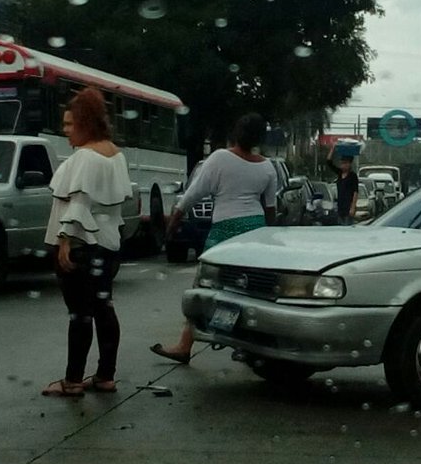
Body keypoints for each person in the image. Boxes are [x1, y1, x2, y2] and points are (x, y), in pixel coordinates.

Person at [151, 113, 277, 364]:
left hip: (225, 231)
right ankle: (249, 347)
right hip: (255, 230)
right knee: (249, 292)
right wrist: (269, 239)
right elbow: (271, 209)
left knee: (205, 287)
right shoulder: (267, 167)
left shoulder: (219, 158)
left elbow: (192, 194)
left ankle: (185, 345)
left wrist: (173, 223)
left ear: (236, 133)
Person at [41, 88, 134, 397]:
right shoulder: (116, 155)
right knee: (103, 308)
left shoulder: (85, 157)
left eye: (70, 124)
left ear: (85, 122)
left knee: (79, 314)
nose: (65, 130)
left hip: (81, 246)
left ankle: (72, 380)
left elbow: (78, 203)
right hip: (107, 246)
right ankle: (105, 375)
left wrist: (64, 241)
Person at [327, 154, 359, 226]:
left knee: (347, 228)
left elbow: (355, 192)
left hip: (348, 207)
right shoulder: (340, 173)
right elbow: (329, 162)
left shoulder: (353, 176)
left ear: (349, 164)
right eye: (342, 163)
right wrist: (332, 149)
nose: (343, 165)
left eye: (345, 163)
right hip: (340, 207)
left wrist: (353, 207)